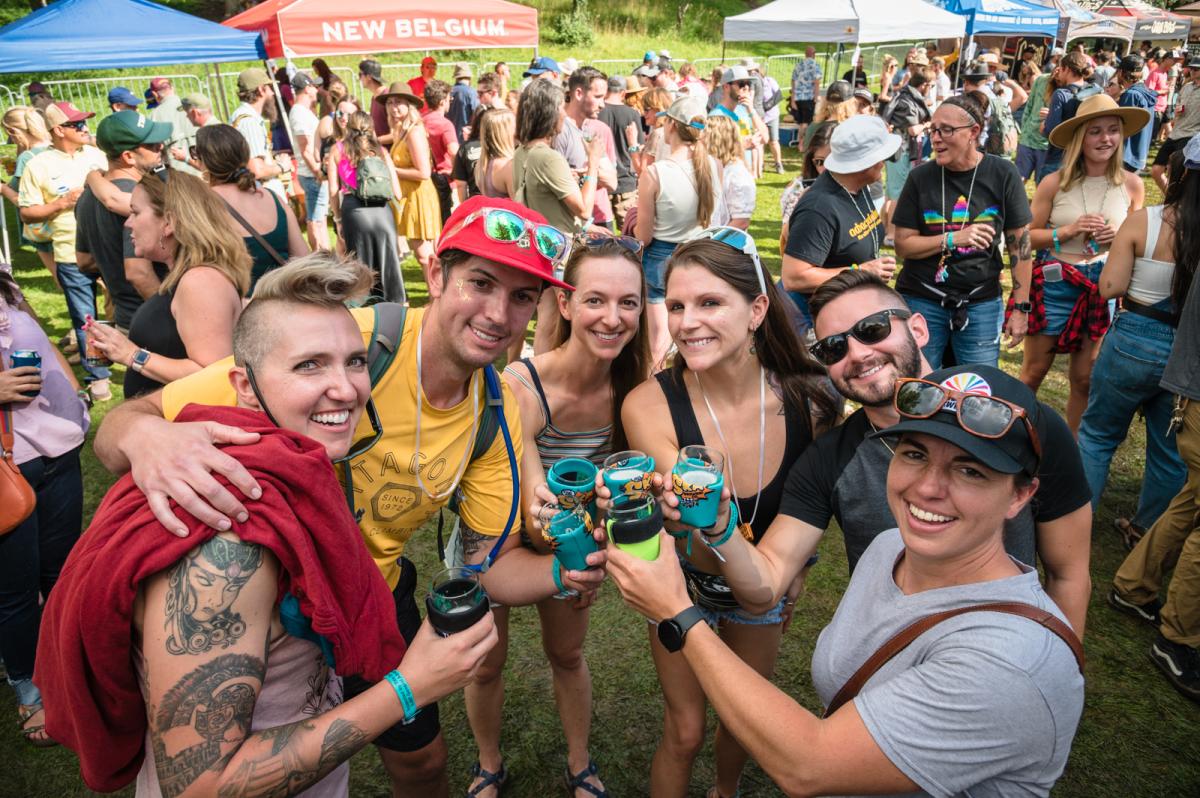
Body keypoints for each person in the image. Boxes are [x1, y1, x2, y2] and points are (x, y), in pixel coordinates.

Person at [92, 196, 606, 797]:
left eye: (523, 297)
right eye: (481, 283)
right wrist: (147, 436)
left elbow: (487, 568)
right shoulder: (342, 345)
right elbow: (125, 423)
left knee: (422, 763)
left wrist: (572, 571)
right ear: (436, 276)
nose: (498, 313)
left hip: (372, 595)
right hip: (269, 607)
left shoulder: (493, 412)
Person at [37, 254, 499, 796]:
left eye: (354, 361)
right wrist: (409, 686)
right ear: (246, 387)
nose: (347, 389)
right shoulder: (228, 542)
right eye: (309, 366)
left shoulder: (292, 476)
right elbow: (200, 784)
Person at [607, 361, 1086, 797]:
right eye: (915, 454)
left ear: (1020, 496)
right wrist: (717, 525)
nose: (927, 488)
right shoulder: (887, 550)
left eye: (970, 471)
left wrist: (677, 612)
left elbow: (808, 766)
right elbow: (764, 586)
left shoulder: (1012, 665)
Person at [618, 230, 839, 798]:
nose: (687, 322)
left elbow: (808, 507)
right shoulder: (648, 404)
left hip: (759, 592)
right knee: (686, 731)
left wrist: (797, 571)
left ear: (758, 309)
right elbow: (687, 512)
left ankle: (725, 791)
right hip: (682, 587)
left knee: (743, 728)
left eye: (710, 303)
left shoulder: (810, 401)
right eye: (676, 306)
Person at [464, 236, 651, 798]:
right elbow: (532, 501)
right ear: (565, 304)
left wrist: (595, 552)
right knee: (484, 664)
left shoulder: (633, 390)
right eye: (595, 300)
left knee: (566, 654)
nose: (612, 318)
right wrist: (582, 555)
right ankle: (488, 763)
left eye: (629, 303)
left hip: (570, 549)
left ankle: (579, 763)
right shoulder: (521, 386)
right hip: (498, 541)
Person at [1109, 140, 1200, 704]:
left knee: (1189, 490)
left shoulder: (1157, 219)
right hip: (1179, 367)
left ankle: (1135, 585)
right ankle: (1179, 634)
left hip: (1153, 350)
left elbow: (1110, 287)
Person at [1079, 140, 1197, 552]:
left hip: (1134, 337)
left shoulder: (1146, 221)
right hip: (1185, 351)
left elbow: (1108, 286)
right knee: (1168, 453)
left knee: (1097, 435)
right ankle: (1145, 532)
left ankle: (1076, 522)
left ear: (1177, 176)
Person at [1018, 94, 1147, 433]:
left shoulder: (1133, 185)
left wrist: (1116, 240)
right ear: (1080, 137)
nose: (1105, 139)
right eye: (1095, 131)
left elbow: (1137, 246)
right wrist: (1067, 231)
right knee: (1032, 373)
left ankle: (1074, 456)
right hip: (1057, 281)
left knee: (1085, 379)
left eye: (1113, 130)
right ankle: (1014, 440)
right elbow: (1024, 238)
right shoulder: (1054, 182)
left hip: (1102, 285)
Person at [0, 264, 88, 747]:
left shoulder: (3, 279)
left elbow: (41, 335)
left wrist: (73, 391)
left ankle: (66, 670)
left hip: (57, 451)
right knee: (14, 593)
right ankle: (31, 689)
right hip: (6, 466)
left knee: (60, 573)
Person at [893, 94, 1034, 369]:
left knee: (976, 388)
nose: (936, 138)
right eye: (933, 129)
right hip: (923, 299)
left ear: (974, 132)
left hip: (980, 304)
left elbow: (1021, 246)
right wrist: (952, 238)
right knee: (919, 384)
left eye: (946, 130)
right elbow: (903, 245)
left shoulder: (1002, 174)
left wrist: (1020, 308)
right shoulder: (920, 177)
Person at [83, 170, 249, 400]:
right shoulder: (187, 277)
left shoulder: (200, 281)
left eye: (135, 212)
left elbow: (213, 374)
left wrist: (131, 354)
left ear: (169, 222)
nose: (128, 224)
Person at [17, 101, 109, 401]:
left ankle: (142, 364)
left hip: (109, 249)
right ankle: (99, 377)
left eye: (84, 123)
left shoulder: (96, 155)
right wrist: (61, 203)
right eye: (77, 124)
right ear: (58, 130)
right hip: (70, 254)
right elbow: (27, 213)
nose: (84, 129)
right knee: (86, 319)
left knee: (125, 310)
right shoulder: (37, 165)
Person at [509, 79, 603, 353]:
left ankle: (514, 379)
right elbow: (584, 208)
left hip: (530, 246)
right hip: (556, 250)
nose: (564, 113)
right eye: (560, 107)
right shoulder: (549, 157)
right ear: (549, 112)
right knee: (550, 324)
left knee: (530, 318)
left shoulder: (521, 153)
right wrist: (594, 162)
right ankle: (540, 384)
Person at [633, 95, 724, 365]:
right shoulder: (714, 165)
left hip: (661, 259)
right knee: (698, 337)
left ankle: (656, 398)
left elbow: (644, 236)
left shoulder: (655, 173)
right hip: (700, 255)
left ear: (671, 125)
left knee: (657, 346)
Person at [782, 115, 896, 327]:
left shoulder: (858, 188)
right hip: (812, 322)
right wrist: (861, 271)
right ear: (864, 164)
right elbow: (793, 277)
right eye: (881, 157)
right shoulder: (819, 207)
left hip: (841, 311)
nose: (884, 162)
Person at [75, 110, 170, 339]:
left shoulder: (87, 197)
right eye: (153, 145)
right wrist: (171, 318)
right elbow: (139, 273)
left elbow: (85, 261)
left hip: (128, 318)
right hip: (155, 319)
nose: (161, 147)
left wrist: (111, 260)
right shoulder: (139, 197)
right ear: (128, 156)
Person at [194, 124, 308, 292]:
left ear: (204, 162)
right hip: (283, 303)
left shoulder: (202, 206)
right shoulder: (273, 198)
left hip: (239, 309)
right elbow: (303, 260)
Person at [327, 110, 404, 303]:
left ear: (348, 127)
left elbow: (333, 190)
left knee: (361, 265)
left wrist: (337, 220)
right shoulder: (380, 151)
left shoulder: (337, 150)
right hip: (382, 212)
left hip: (355, 212)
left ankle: (365, 310)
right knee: (390, 264)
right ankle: (397, 308)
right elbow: (397, 192)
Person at [380, 81, 441, 277]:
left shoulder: (414, 131)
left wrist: (391, 169)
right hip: (409, 196)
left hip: (418, 196)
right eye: (389, 102)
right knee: (423, 253)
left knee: (425, 254)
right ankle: (436, 298)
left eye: (398, 102)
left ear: (409, 106)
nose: (393, 107)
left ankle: (436, 299)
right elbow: (389, 137)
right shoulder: (401, 129)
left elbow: (424, 173)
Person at [555, 67, 619, 233]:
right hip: (569, 227)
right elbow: (555, 189)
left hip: (596, 219)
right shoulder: (559, 131)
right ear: (578, 93)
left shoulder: (592, 130)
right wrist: (592, 169)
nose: (603, 104)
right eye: (598, 97)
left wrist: (587, 172)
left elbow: (612, 182)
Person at [2, 106, 57, 281]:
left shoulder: (27, 158)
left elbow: (22, 200)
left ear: (12, 131)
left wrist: (3, 189)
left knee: (63, 280)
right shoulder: (55, 148)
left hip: (43, 227)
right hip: (66, 221)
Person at [881, 68, 931, 245]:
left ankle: (884, 229)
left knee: (889, 193)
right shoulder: (908, 101)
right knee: (897, 195)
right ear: (923, 84)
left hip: (895, 151)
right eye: (929, 85)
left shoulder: (903, 95)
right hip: (900, 153)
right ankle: (891, 235)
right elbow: (912, 129)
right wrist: (927, 124)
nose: (930, 89)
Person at [230, 67, 288, 201]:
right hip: (264, 195)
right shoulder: (250, 122)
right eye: (269, 88)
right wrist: (282, 166)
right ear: (261, 89)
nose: (273, 93)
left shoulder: (242, 116)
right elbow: (256, 170)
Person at [289, 71, 331, 251]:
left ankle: (325, 258)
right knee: (316, 221)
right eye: (314, 86)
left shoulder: (302, 111)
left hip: (311, 173)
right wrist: (318, 172)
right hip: (312, 174)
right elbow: (305, 147)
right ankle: (324, 259)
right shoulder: (299, 113)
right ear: (307, 89)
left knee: (317, 219)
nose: (317, 89)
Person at [1040, 52, 1096, 182]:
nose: (1058, 72)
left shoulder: (1061, 94)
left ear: (1067, 69)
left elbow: (1051, 131)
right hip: (1083, 158)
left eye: (1061, 69)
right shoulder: (1094, 90)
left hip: (1058, 157)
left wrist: (1044, 125)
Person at [779, 122, 833, 257]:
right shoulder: (798, 189)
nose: (825, 169)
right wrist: (801, 205)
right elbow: (785, 243)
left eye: (832, 160)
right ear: (811, 160)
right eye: (819, 162)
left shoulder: (857, 185)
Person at [598, 75, 644, 231]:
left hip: (601, 181)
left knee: (602, 234)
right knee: (630, 234)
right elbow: (639, 146)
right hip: (626, 181)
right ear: (624, 93)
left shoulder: (598, 111)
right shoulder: (632, 114)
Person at [1151, 57, 1200, 194]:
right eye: (1191, 68)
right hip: (1175, 133)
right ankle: (1172, 199)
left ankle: (1175, 203)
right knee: (1156, 171)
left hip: (1192, 136)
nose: (1192, 71)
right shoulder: (1187, 87)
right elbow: (1179, 105)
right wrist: (1177, 111)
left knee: (1176, 173)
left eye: (1196, 69)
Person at [704, 114, 754, 230]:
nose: (699, 141)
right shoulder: (716, 167)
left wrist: (711, 243)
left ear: (716, 140)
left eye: (704, 137)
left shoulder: (737, 174)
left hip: (719, 246)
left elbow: (741, 222)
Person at [422, 80, 460, 224]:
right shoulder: (445, 124)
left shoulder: (420, 120)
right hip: (444, 179)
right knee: (447, 221)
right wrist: (457, 174)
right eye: (449, 99)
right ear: (443, 101)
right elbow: (453, 151)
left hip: (425, 179)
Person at [1114, 54, 1158, 174]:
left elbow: (1124, 125)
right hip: (1139, 152)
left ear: (1121, 72)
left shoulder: (1132, 95)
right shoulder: (1146, 92)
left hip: (1127, 155)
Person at [474, 107, 516, 201]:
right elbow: (519, 207)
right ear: (506, 132)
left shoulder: (482, 163)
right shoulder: (507, 166)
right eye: (515, 126)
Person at [175, 93, 220, 174]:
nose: (187, 116)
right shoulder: (223, 127)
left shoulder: (205, 134)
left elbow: (208, 168)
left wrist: (185, 158)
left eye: (187, 113)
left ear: (194, 113)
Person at [790, 46, 823, 141]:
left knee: (801, 123)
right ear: (814, 54)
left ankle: (800, 141)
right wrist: (817, 97)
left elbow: (793, 81)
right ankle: (804, 143)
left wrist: (793, 99)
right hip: (809, 98)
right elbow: (817, 82)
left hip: (798, 98)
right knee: (806, 122)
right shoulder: (815, 65)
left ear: (805, 54)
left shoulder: (798, 65)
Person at [359, 59, 393, 147]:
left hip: (391, 155)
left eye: (360, 74)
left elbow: (396, 134)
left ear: (369, 77)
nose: (359, 78)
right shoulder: (374, 97)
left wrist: (373, 141)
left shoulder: (388, 97)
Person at [449, 63, 480, 144]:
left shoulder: (448, 92)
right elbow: (478, 114)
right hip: (466, 139)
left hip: (449, 139)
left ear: (456, 78)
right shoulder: (471, 92)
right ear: (469, 78)